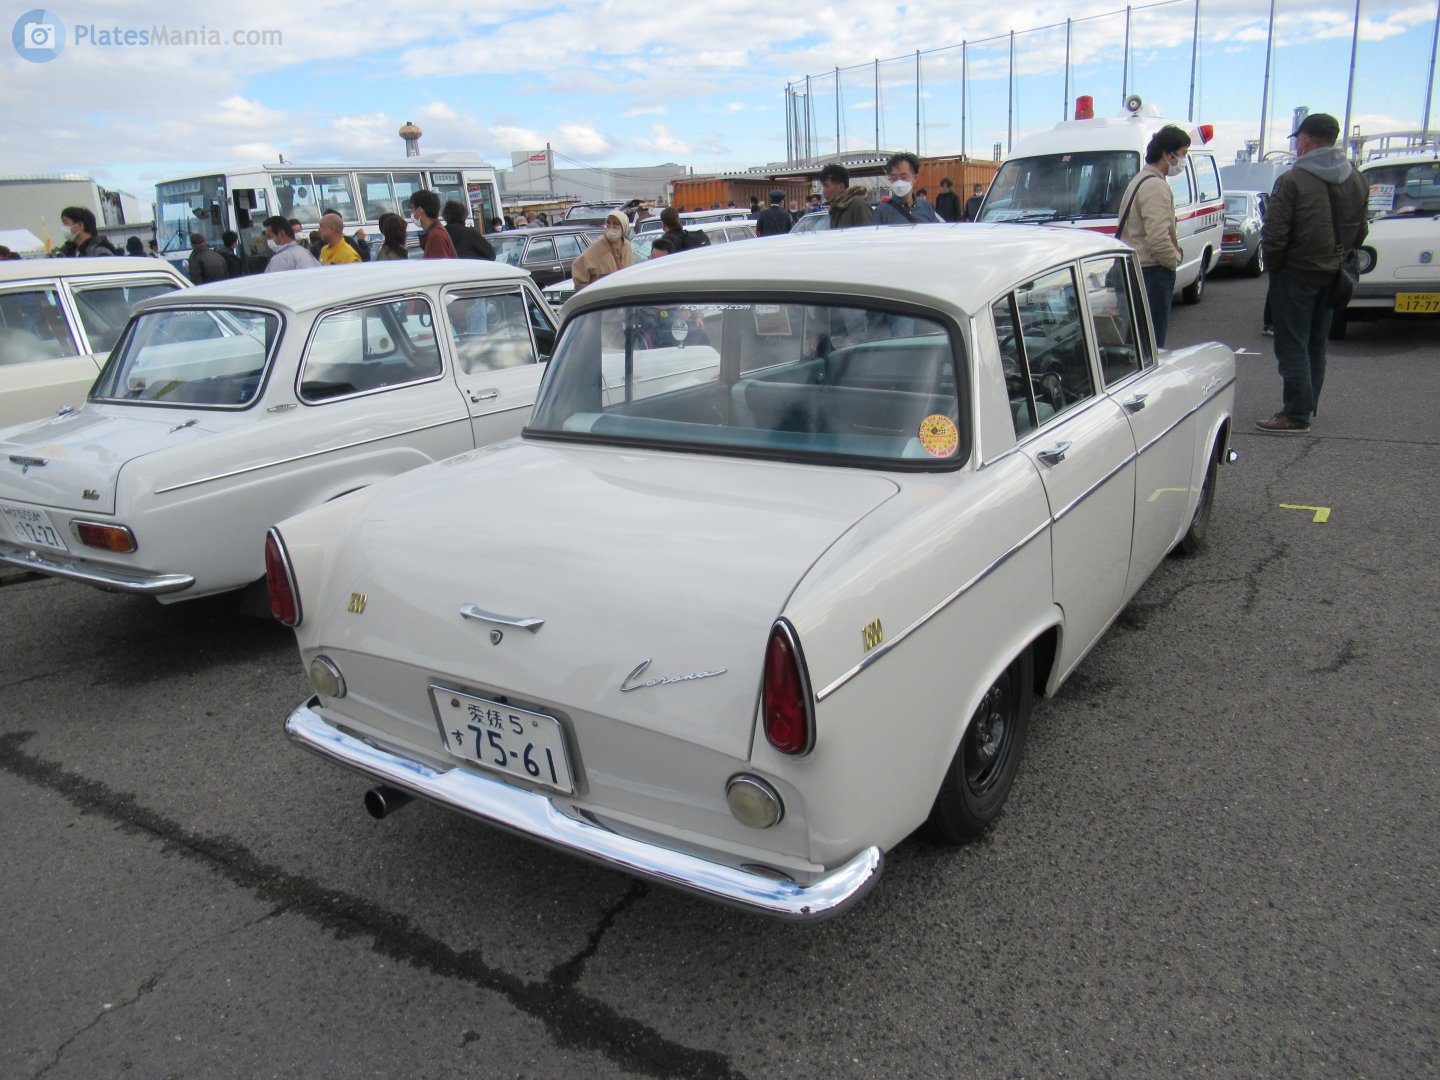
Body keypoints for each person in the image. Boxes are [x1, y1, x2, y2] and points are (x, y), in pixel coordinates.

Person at [1256, 112, 1368, 434]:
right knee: (1317, 344)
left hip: (1295, 275)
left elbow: (1275, 234)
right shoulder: (1357, 179)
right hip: (1334, 274)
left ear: (1304, 140)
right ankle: (1308, 404)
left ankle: (1295, 414)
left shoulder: (1292, 180)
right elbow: (1361, 231)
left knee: (1292, 345)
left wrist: (1274, 267)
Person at [1116, 125, 1190, 348]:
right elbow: (1158, 238)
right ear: (1167, 155)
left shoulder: (1139, 180)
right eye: (1183, 154)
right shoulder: (1155, 186)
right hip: (1151, 271)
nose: (1183, 161)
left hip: (1135, 268)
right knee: (1152, 344)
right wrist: (1173, 260)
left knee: (1136, 343)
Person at [570, 210, 633, 290]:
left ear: (623, 227)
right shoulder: (599, 245)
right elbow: (578, 266)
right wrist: (588, 290)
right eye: (608, 223)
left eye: (615, 224)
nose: (611, 227)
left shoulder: (626, 245)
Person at [873, 153, 942, 225]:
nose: (899, 182)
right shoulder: (882, 211)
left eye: (903, 177)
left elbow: (935, 233)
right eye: (894, 178)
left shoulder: (925, 207)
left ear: (915, 178)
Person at [819, 163, 872, 229]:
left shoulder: (858, 204)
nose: (823, 192)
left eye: (826, 186)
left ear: (841, 186)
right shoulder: (835, 208)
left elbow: (868, 234)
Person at [409, 191, 457, 258]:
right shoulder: (436, 231)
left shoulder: (435, 235)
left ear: (420, 210)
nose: (411, 213)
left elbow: (439, 266)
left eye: (411, 208)